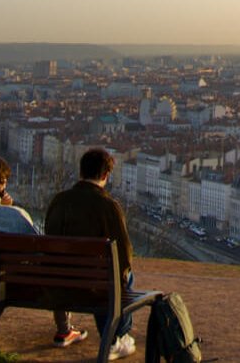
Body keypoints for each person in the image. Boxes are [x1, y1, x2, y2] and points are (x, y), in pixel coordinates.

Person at [0, 157, 88, 348]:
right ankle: (64, 329)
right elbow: (42, 249)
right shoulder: (15, 215)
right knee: (57, 263)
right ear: (1, 184)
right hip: (19, 287)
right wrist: (6, 209)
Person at [45, 148, 136, 360]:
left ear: (81, 172)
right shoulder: (108, 206)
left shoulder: (59, 201)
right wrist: (122, 276)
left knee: (104, 278)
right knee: (118, 278)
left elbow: (49, 236)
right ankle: (115, 337)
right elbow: (124, 252)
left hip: (58, 282)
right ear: (105, 175)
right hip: (95, 285)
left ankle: (110, 336)